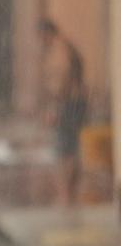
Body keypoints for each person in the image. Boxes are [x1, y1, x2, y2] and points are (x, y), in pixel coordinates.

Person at [39, 19, 88, 208]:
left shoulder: (58, 51)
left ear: (47, 33)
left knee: (64, 149)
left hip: (69, 102)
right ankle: (70, 194)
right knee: (71, 146)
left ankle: (66, 195)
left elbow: (60, 81)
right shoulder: (65, 46)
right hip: (75, 100)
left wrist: (53, 108)